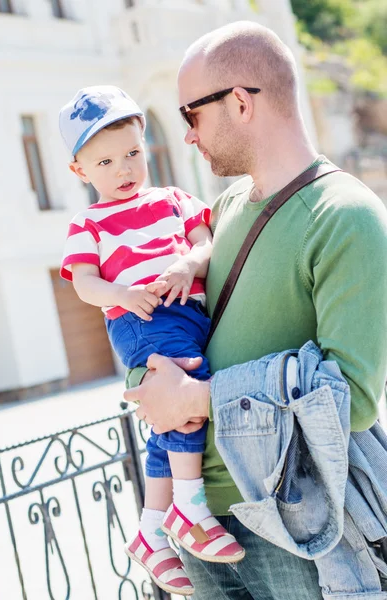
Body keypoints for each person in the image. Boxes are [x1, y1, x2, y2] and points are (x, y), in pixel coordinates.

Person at [124, 21, 387, 600]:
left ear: (239, 103)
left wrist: (194, 399)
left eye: (191, 115)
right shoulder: (221, 211)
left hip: (291, 521)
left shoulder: (347, 216)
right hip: (199, 524)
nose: (187, 136)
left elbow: (356, 398)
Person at [58, 85, 245, 597]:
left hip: (188, 312)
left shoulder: (174, 200)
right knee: (183, 388)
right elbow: (82, 281)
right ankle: (189, 507)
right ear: (80, 171)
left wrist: (190, 261)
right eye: (106, 162)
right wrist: (119, 291)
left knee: (168, 413)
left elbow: (206, 241)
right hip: (142, 315)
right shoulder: (88, 222)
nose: (124, 169)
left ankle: (149, 533)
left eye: (134, 154)